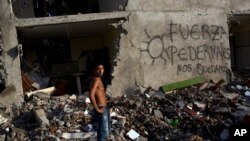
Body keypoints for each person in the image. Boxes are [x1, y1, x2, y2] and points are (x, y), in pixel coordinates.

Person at [89, 62, 111, 141]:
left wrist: (107, 101)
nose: (100, 71)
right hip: (101, 108)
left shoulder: (99, 80)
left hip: (104, 108)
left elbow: (99, 95)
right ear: (94, 70)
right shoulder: (96, 80)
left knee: (105, 132)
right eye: (98, 69)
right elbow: (91, 95)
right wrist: (97, 109)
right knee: (103, 133)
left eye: (102, 68)